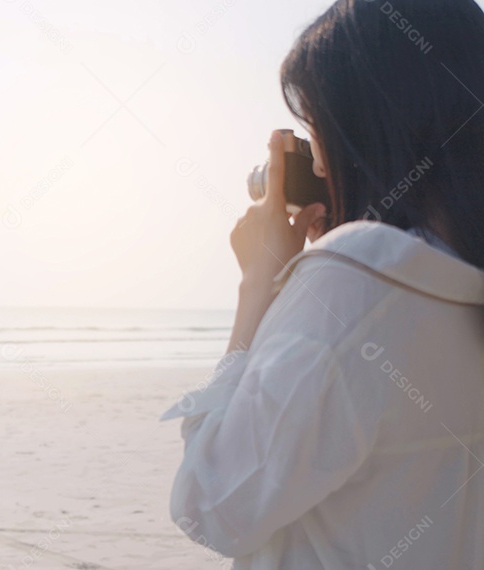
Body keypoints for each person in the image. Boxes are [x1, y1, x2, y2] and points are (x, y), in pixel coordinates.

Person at [163, 1, 484, 568]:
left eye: (320, 135)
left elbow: (209, 505)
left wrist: (261, 284)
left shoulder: (352, 281)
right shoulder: (452, 274)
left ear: (367, 129)